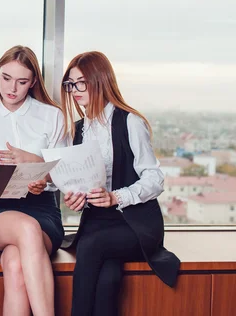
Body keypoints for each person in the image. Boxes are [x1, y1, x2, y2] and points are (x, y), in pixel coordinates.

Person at [60, 51, 180, 316]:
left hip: (134, 225)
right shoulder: (80, 130)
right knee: (108, 280)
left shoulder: (130, 121)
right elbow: (81, 181)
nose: (74, 90)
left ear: (99, 80)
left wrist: (117, 197)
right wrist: (75, 198)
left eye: (81, 82)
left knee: (92, 248)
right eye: (70, 84)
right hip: (97, 225)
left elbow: (155, 179)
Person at [0, 45, 65, 316]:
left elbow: (64, 173)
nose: (12, 88)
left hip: (44, 210)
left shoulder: (52, 116)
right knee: (26, 229)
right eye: (6, 78)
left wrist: (37, 170)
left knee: (15, 264)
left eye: (22, 81)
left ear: (33, 82)